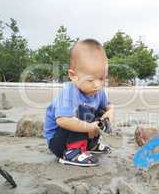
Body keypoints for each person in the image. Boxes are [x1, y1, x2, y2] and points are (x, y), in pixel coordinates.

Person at [44, 39, 114, 167]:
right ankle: (72, 151)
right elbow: (63, 120)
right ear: (74, 76)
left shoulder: (98, 91)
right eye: (91, 80)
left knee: (100, 111)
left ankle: (90, 144)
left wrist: (108, 115)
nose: (97, 85)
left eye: (102, 78)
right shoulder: (69, 93)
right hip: (59, 141)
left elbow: (109, 107)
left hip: (84, 132)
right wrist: (90, 127)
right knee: (81, 111)